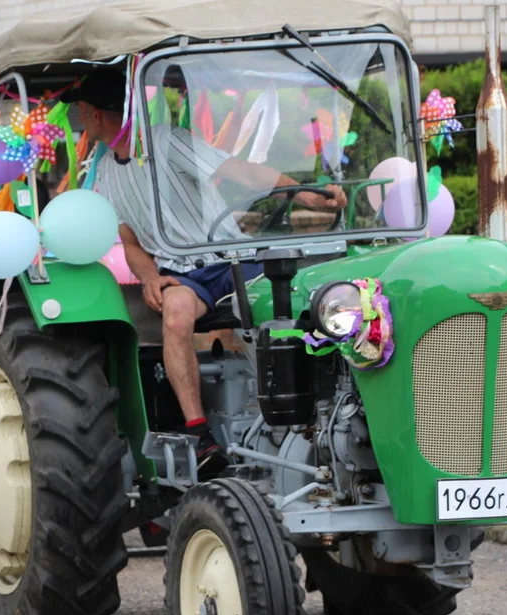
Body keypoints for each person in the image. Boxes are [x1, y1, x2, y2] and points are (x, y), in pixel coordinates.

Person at [67, 68, 347, 478]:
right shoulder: (106, 172)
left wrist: (306, 192)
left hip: (232, 257)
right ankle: (200, 435)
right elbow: (129, 241)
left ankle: (307, 418)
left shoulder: (165, 142)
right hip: (183, 274)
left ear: (94, 115)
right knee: (176, 312)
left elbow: (239, 171)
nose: (80, 119)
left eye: (80, 112)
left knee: (295, 303)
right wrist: (149, 278)